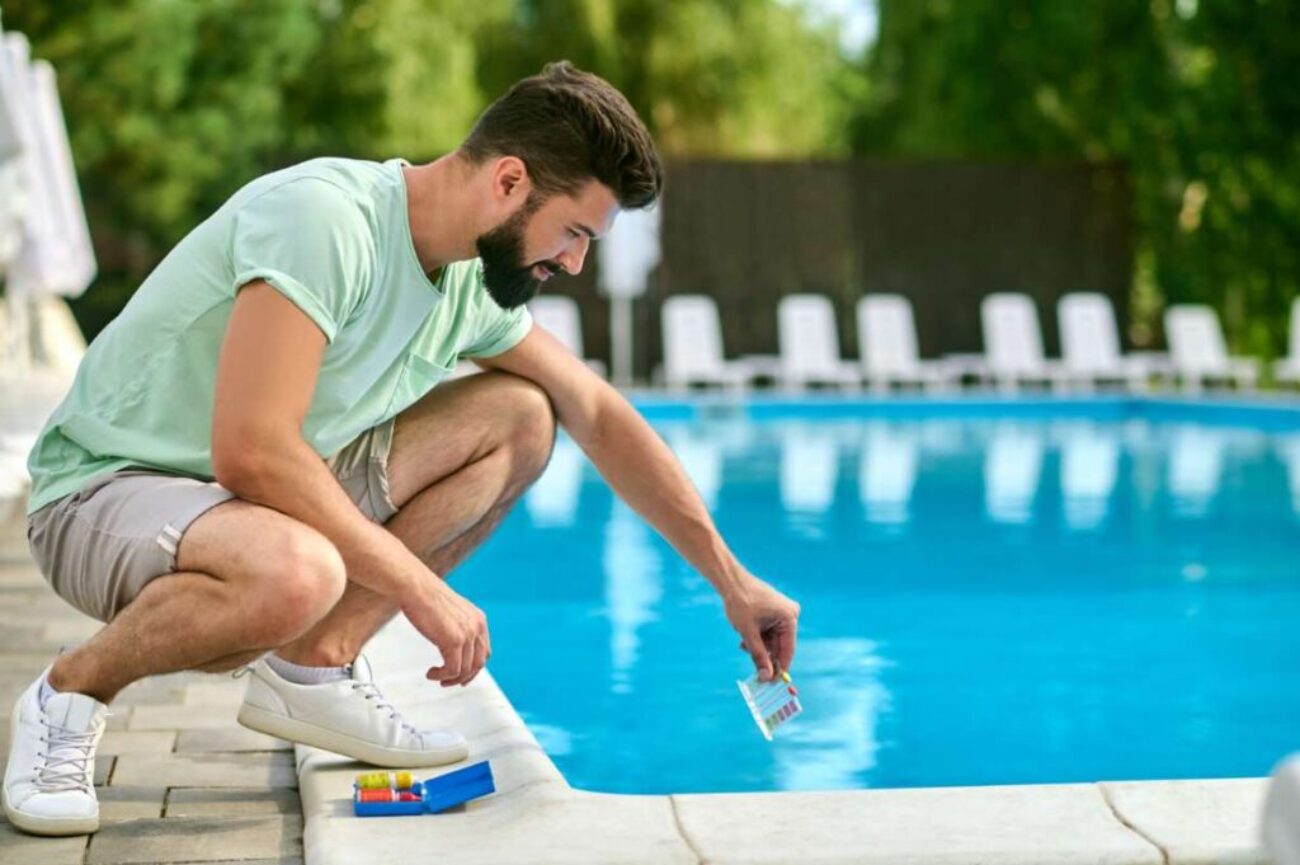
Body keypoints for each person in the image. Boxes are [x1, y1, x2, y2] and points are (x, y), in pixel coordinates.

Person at [3, 61, 801, 837]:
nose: (574, 262)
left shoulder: (466, 281)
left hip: (239, 502)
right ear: (510, 182)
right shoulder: (328, 220)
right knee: (296, 572)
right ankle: (67, 694)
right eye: (575, 232)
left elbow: (593, 406)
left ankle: (318, 661)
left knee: (524, 416)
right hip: (103, 492)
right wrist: (420, 586)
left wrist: (731, 582)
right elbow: (252, 449)